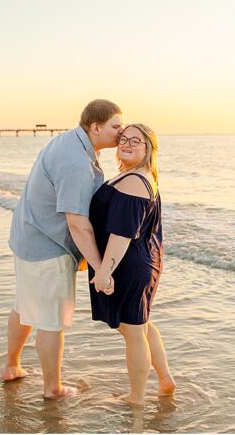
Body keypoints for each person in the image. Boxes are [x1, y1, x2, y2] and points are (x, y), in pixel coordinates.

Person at [4, 99, 123, 398]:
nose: (121, 132)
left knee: (24, 304)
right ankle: (52, 389)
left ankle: (11, 366)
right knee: (51, 320)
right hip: (47, 246)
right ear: (96, 127)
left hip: (27, 235)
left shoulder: (67, 141)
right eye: (116, 126)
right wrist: (100, 268)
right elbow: (77, 223)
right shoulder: (76, 163)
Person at [87, 123, 175, 406]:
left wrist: (104, 270)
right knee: (142, 325)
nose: (126, 144)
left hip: (128, 264)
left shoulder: (135, 181)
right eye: (123, 139)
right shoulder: (138, 175)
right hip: (144, 260)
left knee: (133, 332)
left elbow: (122, 234)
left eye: (135, 141)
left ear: (148, 148)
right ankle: (165, 380)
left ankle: (136, 398)